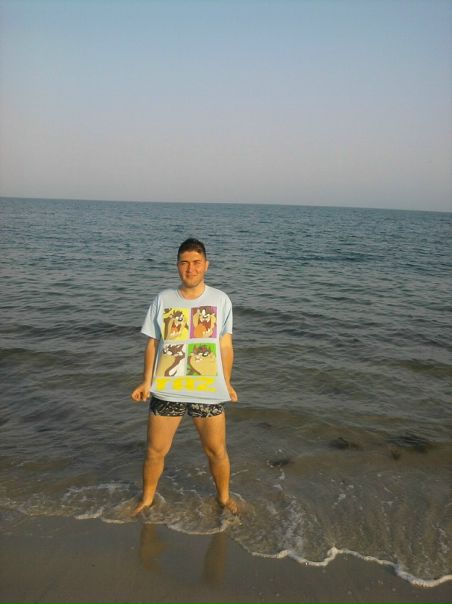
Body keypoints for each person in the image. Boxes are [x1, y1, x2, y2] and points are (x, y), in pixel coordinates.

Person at [131, 238, 238, 516]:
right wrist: (146, 381)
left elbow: (225, 346)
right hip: (167, 389)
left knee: (216, 451)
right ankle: (147, 499)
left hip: (208, 389)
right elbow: (153, 343)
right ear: (177, 265)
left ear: (206, 265)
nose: (190, 269)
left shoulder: (220, 299)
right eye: (184, 263)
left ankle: (224, 499)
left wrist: (226, 382)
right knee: (155, 451)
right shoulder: (163, 299)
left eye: (196, 263)